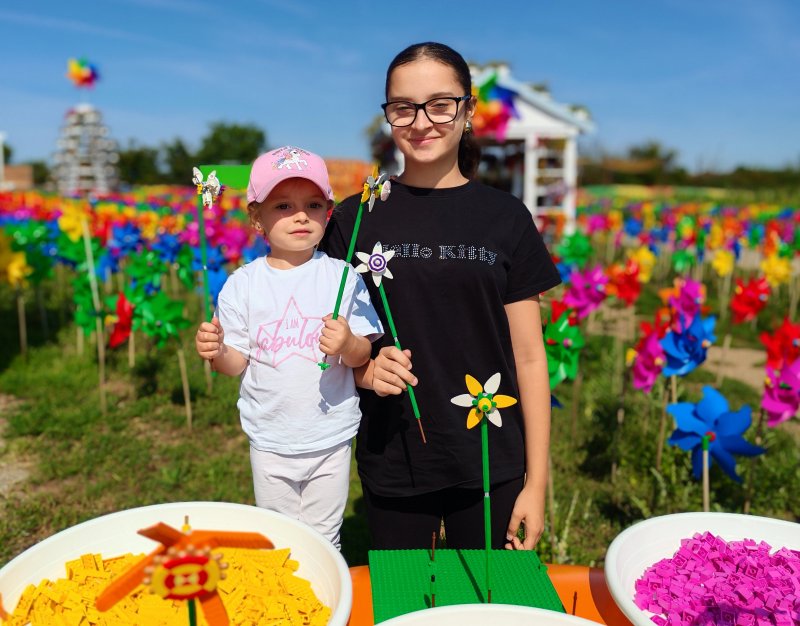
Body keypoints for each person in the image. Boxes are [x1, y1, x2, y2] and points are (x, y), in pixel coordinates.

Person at [320, 42, 562, 551]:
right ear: (388, 115)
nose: (421, 121)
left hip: (491, 452)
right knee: (406, 605)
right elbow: (329, 340)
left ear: (468, 110)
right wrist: (364, 369)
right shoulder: (355, 216)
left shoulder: (506, 217)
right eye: (403, 107)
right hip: (396, 452)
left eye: (440, 103)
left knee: (488, 605)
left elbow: (529, 356)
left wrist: (537, 483)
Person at [195, 146, 383, 549]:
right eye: (283, 205)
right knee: (278, 538)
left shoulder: (343, 276)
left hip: (330, 436)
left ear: (328, 212)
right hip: (270, 438)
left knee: (324, 538)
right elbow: (235, 364)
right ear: (257, 218)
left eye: (313, 204)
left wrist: (349, 341)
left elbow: (362, 355)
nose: (301, 215)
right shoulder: (242, 285)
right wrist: (217, 350)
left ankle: (325, 607)